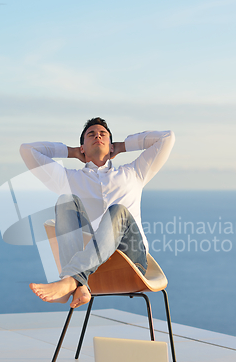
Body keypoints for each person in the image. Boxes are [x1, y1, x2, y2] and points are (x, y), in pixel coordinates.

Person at [20, 117, 175, 308]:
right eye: (91, 134)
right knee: (65, 200)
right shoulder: (68, 179)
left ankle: (70, 280)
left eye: (103, 134)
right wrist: (71, 152)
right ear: (82, 148)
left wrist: (122, 146)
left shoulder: (134, 172)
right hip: (94, 267)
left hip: (131, 261)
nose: (97, 136)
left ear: (111, 146)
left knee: (118, 211)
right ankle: (78, 283)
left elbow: (167, 138)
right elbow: (27, 150)